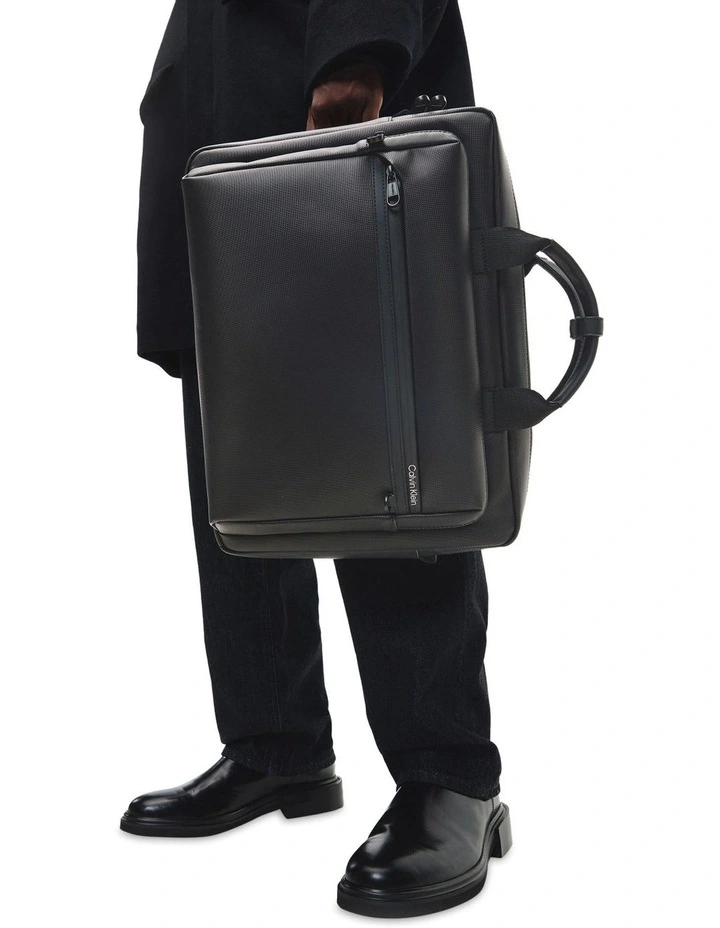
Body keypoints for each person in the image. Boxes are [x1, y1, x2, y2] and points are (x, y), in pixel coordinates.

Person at [122, 0, 510, 917]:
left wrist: (358, 50)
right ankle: (275, 744)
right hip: (217, 102)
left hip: (327, 81)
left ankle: (449, 772)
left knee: (387, 442)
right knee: (242, 465)